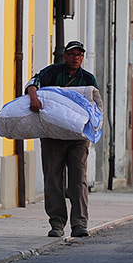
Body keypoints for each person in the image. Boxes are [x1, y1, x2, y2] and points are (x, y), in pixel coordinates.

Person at [25, 40, 99, 238]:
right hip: (53, 135)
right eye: (72, 54)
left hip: (77, 137)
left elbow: (95, 106)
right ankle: (57, 224)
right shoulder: (52, 72)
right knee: (53, 180)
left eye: (79, 54)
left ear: (82, 58)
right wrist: (33, 97)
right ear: (65, 56)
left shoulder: (88, 78)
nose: (76, 57)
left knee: (78, 181)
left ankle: (79, 224)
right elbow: (33, 83)